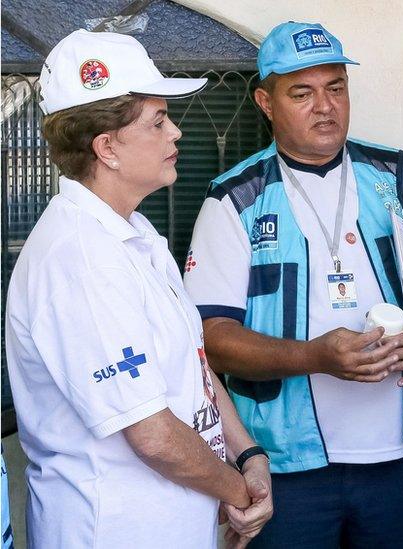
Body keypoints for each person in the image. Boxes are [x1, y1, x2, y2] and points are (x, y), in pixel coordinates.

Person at [183, 21, 403, 548]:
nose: (324, 107)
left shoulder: (402, 178)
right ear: (265, 101)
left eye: (336, 88)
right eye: (302, 93)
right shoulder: (234, 199)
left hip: (397, 452)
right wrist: (316, 358)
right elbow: (211, 336)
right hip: (284, 463)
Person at [4, 30, 273, 549]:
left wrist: (248, 455)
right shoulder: (80, 261)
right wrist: (239, 494)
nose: (176, 133)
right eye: (157, 122)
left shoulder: (134, 233)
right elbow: (152, 436)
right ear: (107, 149)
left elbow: (191, 366)